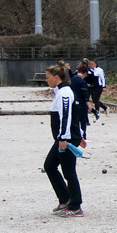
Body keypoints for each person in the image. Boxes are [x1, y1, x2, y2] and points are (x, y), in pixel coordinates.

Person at [43, 62, 85, 217]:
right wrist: (79, 134)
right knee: (49, 166)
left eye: (48, 78)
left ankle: (75, 205)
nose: (46, 80)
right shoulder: (60, 92)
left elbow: (67, 117)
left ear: (56, 77)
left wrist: (64, 138)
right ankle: (65, 198)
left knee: (69, 172)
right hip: (64, 137)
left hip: (65, 139)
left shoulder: (65, 93)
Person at [70, 63, 91, 140]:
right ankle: (83, 135)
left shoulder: (72, 80)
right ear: (85, 73)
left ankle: (75, 134)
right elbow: (85, 94)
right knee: (83, 120)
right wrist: (88, 104)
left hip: (73, 102)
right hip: (81, 103)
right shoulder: (82, 82)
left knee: (74, 119)